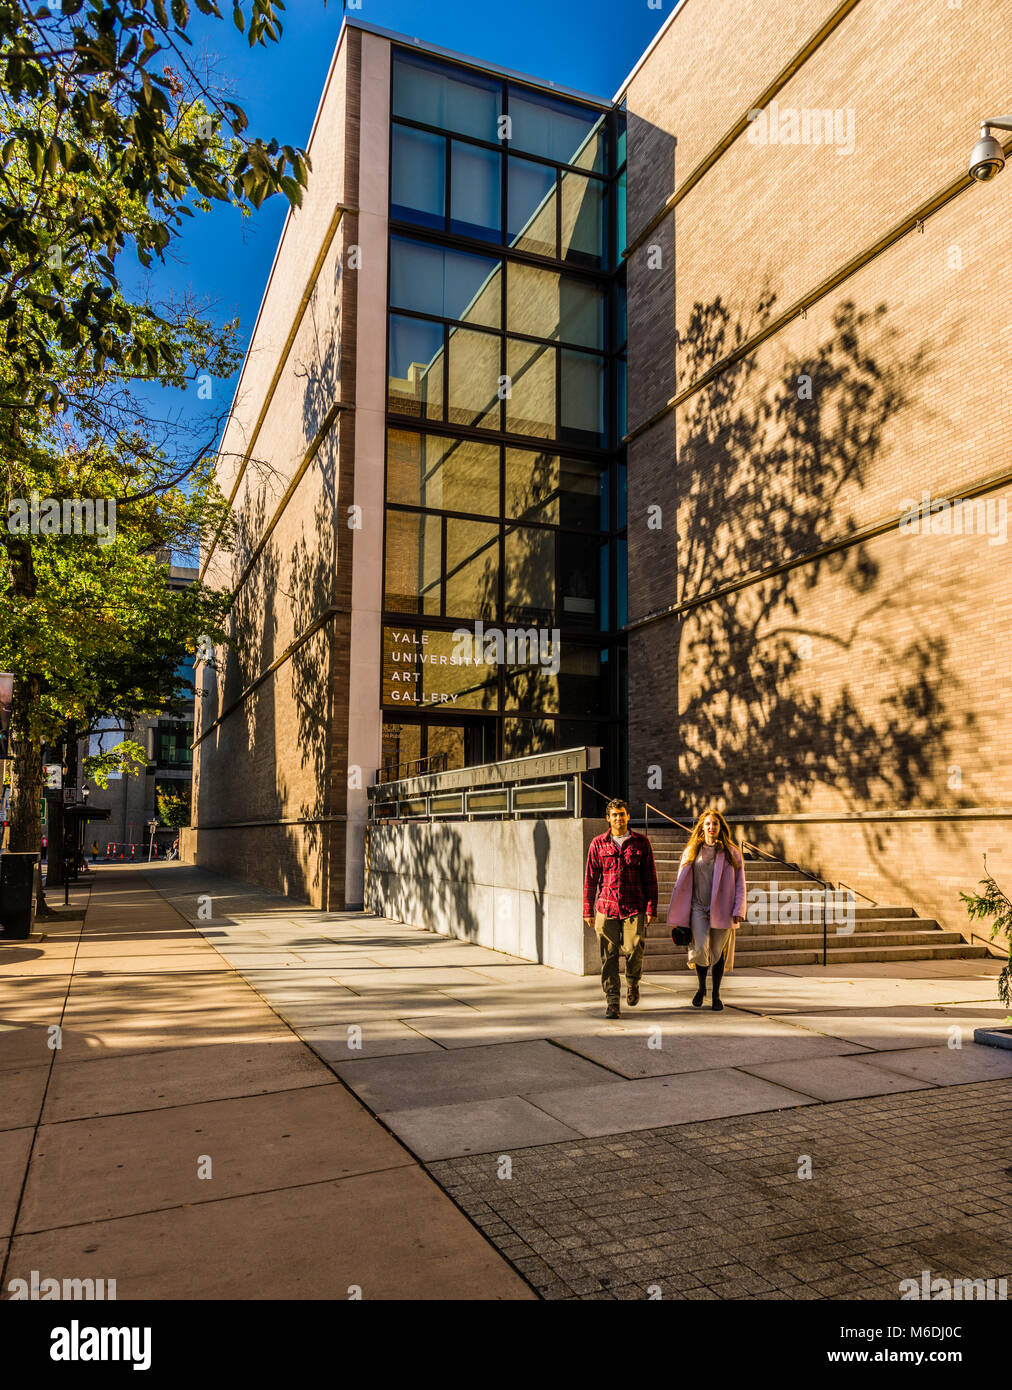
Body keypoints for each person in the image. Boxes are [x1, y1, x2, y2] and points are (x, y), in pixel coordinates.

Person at [583, 798, 657, 1019]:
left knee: (635, 949)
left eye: (622, 814)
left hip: (634, 906)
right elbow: (590, 879)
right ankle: (612, 1000)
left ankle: (633, 983)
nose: (619, 818)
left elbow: (650, 878)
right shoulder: (598, 844)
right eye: (614, 815)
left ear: (628, 816)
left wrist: (652, 907)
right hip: (606, 907)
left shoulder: (641, 843)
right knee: (609, 956)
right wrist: (588, 909)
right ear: (608, 818)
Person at [667, 807, 746, 1011]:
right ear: (702, 827)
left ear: (720, 827)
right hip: (698, 908)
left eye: (715, 823)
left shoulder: (731, 852)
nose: (712, 827)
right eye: (708, 823)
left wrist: (739, 908)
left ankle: (716, 994)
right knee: (700, 948)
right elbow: (680, 882)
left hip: (723, 909)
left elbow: (740, 883)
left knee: (717, 952)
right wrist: (680, 912)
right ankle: (701, 988)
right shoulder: (692, 850)